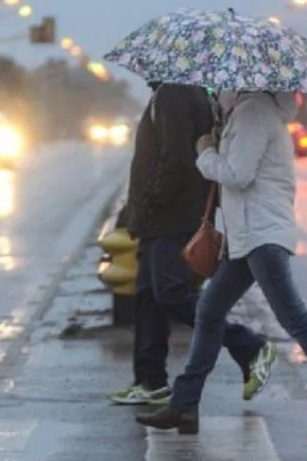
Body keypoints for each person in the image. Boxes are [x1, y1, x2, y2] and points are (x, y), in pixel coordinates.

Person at [137, 91, 307, 442]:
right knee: (209, 312)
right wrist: (218, 142)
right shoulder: (245, 114)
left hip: (262, 236)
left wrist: (206, 153)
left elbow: (237, 175)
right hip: (246, 236)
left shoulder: (253, 113)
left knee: (295, 320)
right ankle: (184, 405)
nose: (216, 91)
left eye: (220, 87)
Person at [108, 82, 275, 405]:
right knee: (148, 298)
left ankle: (249, 345)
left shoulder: (173, 93)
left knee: (171, 293)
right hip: (166, 216)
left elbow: (176, 160)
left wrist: (150, 204)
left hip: (170, 216)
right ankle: (150, 380)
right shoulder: (189, 93)